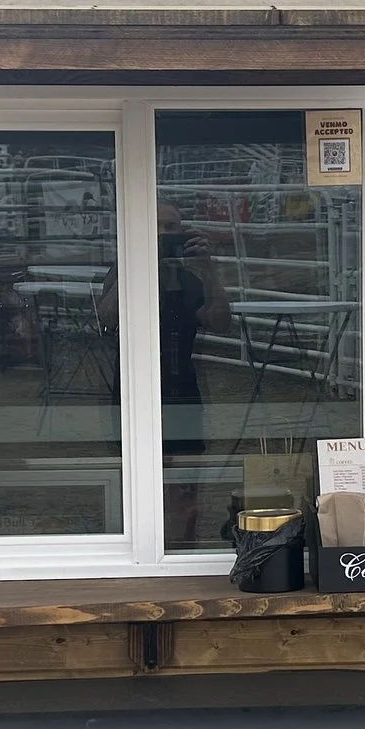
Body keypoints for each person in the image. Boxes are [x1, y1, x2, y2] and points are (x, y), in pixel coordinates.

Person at [98, 203, 231, 545]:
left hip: (181, 384)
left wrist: (209, 269)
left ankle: (183, 548)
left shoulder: (188, 279)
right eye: (155, 226)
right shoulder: (123, 271)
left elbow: (219, 322)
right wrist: (135, 260)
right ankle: (140, 547)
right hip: (132, 388)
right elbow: (107, 319)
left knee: (186, 483)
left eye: (171, 228)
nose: (163, 235)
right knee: (137, 477)